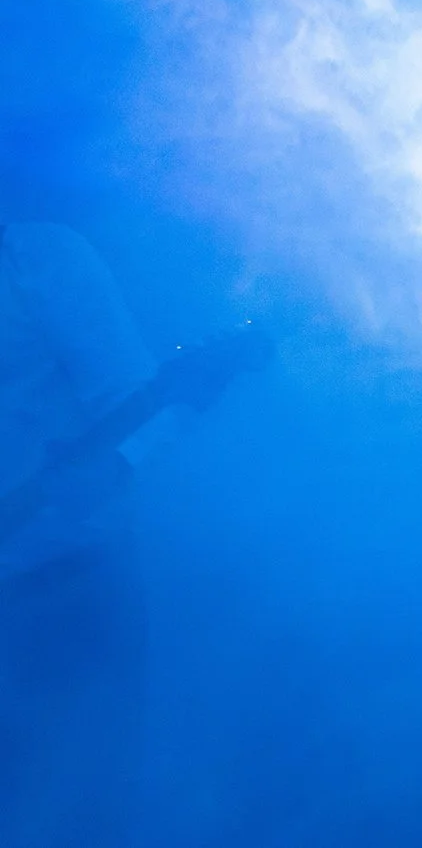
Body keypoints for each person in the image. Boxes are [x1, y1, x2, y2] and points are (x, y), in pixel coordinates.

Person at [0, 221, 156, 846]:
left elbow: (142, 409)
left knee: (72, 810)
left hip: (61, 594)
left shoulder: (41, 254)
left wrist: (92, 481)